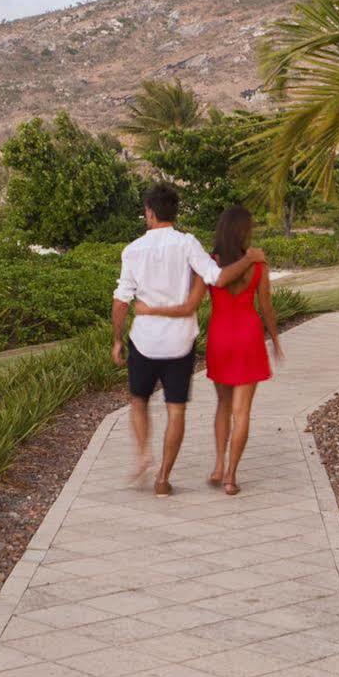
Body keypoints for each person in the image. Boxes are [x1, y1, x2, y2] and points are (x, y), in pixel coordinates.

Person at [111, 183, 261, 497]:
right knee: (175, 410)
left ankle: (143, 454)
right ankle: (163, 478)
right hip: (179, 343)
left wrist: (117, 340)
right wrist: (249, 261)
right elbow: (217, 277)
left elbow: (122, 301)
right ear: (175, 213)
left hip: (144, 340)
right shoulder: (187, 243)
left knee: (139, 401)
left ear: (149, 213)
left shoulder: (133, 250)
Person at [136, 204, 281, 496]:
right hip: (249, 337)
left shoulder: (209, 263)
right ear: (244, 231)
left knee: (223, 405)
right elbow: (265, 306)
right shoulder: (257, 263)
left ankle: (217, 464)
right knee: (242, 412)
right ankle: (230, 477)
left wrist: (152, 310)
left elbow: (192, 303)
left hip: (221, 337)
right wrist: (276, 339)